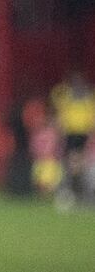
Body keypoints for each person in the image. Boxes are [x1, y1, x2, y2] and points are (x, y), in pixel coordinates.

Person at [50, 70, 95, 205]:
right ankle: (71, 189)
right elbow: (56, 98)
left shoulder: (87, 97)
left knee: (78, 162)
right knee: (71, 162)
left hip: (81, 134)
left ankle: (78, 189)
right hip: (71, 133)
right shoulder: (68, 95)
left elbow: (91, 116)